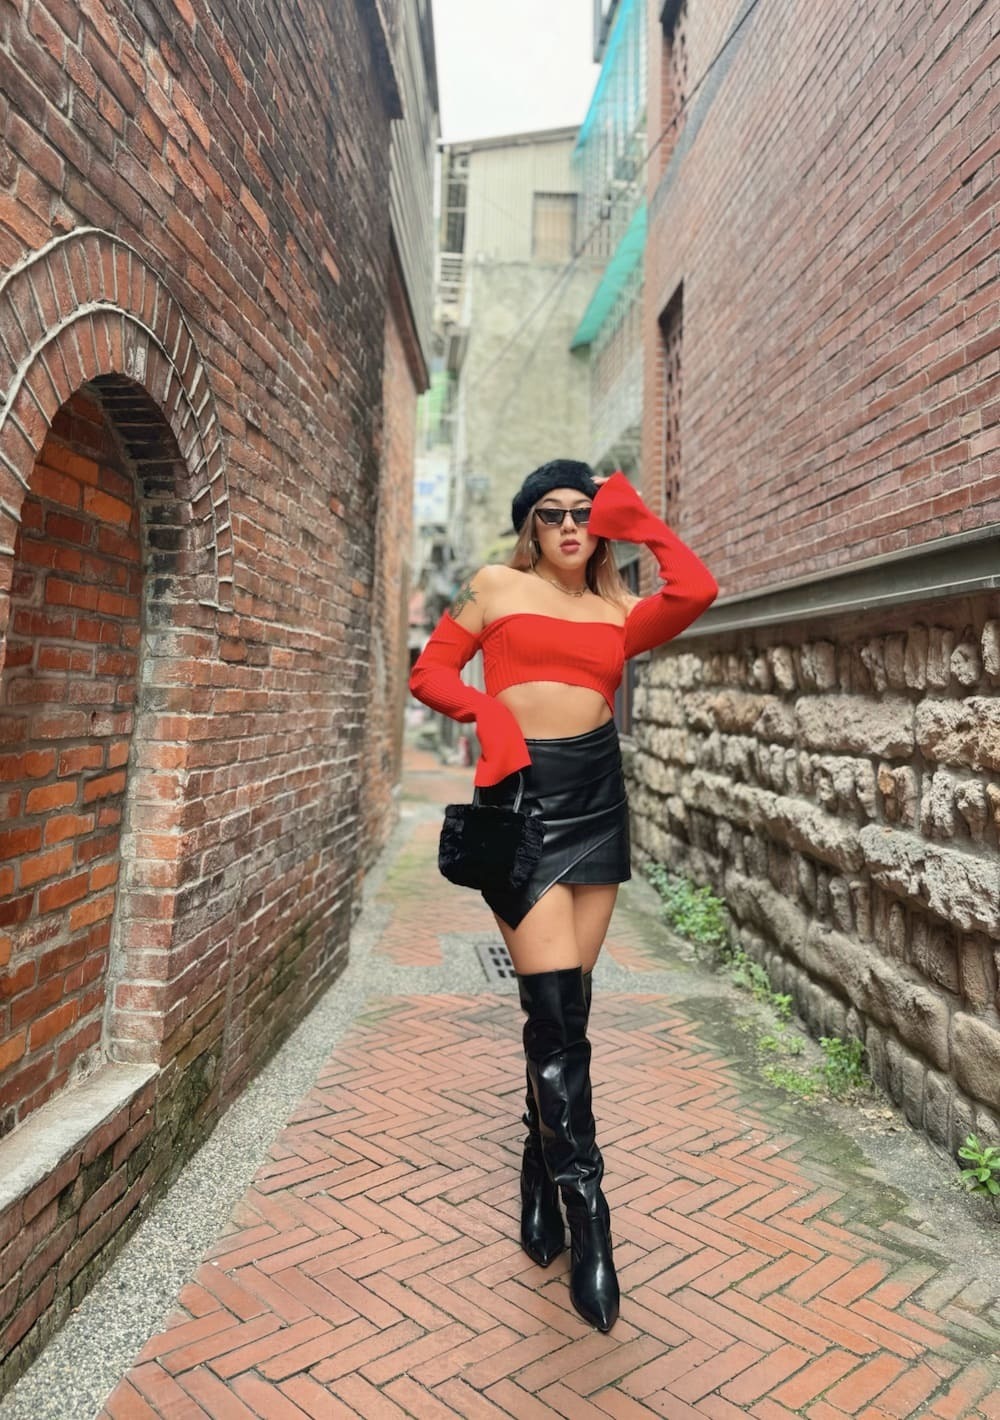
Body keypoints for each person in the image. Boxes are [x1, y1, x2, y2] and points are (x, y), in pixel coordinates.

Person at [408, 459, 717, 1332]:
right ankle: (592, 1223)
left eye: (585, 512)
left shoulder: (621, 610)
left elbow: (697, 589)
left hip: (597, 803)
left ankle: (538, 1171)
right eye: (553, 514)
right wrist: (489, 716)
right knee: (552, 1011)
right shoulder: (493, 586)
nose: (572, 526)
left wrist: (641, 520)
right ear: (530, 526)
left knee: (566, 1012)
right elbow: (431, 673)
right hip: (521, 802)